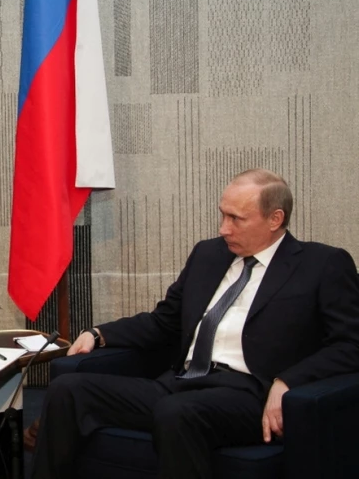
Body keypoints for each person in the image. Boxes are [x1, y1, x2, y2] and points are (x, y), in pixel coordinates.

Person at [31, 169, 359, 479]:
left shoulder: (322, 265)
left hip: (248, 393)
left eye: (236, 218)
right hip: (179, 383)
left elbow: (350, 344)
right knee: (67, 390)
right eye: (222, 215)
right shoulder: (208, 254)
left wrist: (288, 381)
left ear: (275, 219)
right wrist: (99, 333)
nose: (224, 228)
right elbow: (164, 321)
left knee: (177, 412)